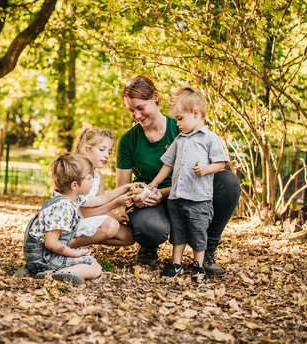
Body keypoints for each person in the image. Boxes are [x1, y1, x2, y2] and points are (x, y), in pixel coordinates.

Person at [116, 75, 241, 275]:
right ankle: (150, 244)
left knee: (228, 182)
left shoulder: (182, 126)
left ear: (155, 98)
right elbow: (122, 188)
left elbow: (211, 165)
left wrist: (162, 192)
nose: (136, 115)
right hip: (152, 203)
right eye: (131, 110)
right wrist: (138, 196)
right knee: (150, 228)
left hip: (189, 195)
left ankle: (207, 248)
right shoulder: (128, 140)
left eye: (140, 107)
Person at [148, 86, 228, 281]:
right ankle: (176, 264)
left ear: (195, 113)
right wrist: (155, 183)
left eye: (180, 119)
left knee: (198, 232)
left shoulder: (210, 138)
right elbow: (168, 163)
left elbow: (221, 162)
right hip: (177, 197)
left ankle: (198, 265)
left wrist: (206, 169)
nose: (177, 123)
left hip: (199, 198)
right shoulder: (180, 139)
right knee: (178, 231)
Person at [17, 153, 133, 284]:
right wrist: (74, 253)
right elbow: (51, 243)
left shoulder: (72, 198)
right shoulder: (63, 207)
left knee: (91, 260)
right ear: (74, 185)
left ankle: (43, 270)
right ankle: (48, 274)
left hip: (43, 256)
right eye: (89, 178)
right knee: (96, 269)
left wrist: (126, 187)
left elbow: (103, 199)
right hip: (44, 257)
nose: (92, 181)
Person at [69, 128, 135, 248]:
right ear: (86, 150)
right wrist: (117, 203)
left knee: (128, 236)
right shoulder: (78, 174)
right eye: (102, 149)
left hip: (87, 220)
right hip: (71, 222)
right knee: (111, 226)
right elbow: (86, 212)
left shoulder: (99, 177)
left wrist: (117, 217)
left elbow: (99, 206)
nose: (107, 156)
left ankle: (84, 240)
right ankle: (68, 246)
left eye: (109, 152)